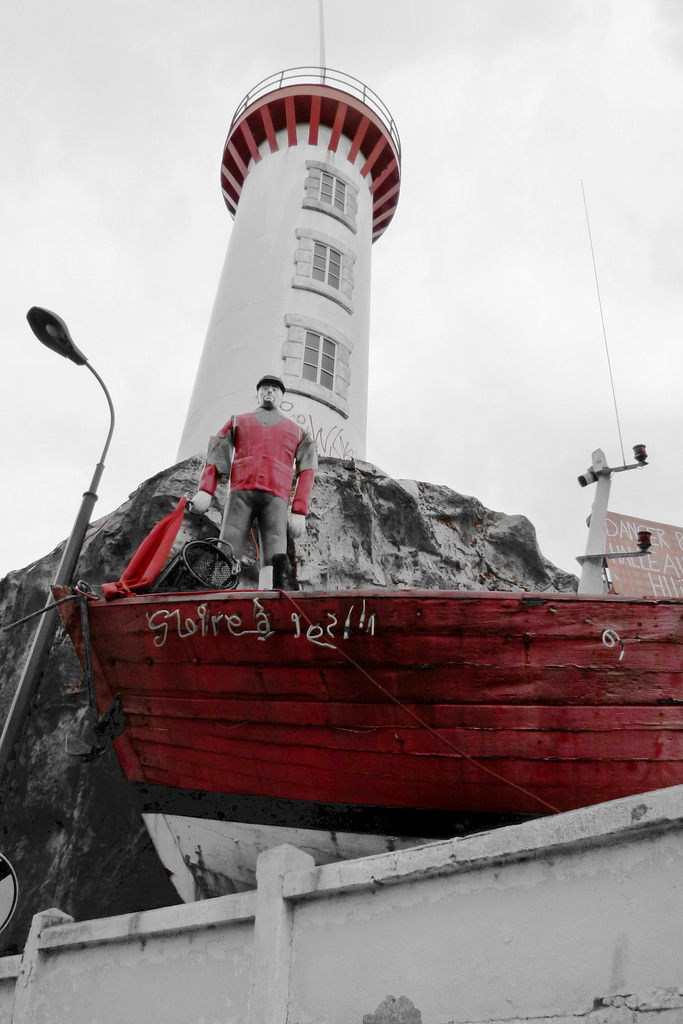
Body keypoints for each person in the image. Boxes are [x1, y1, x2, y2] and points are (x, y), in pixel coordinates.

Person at [190, 375, 317, 589]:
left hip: (276, 498)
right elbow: (218, 452)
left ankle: (270, 597)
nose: (270, 392)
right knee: (228, 543)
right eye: (265, 388)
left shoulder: (298, 432)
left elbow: (307, 470)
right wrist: (206, 490)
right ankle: (219, 592)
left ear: (282, 396)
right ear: (257, 394)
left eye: (275, 389)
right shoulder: (238, 420)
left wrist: (299, 510)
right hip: (241, 493)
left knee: (276, 550)